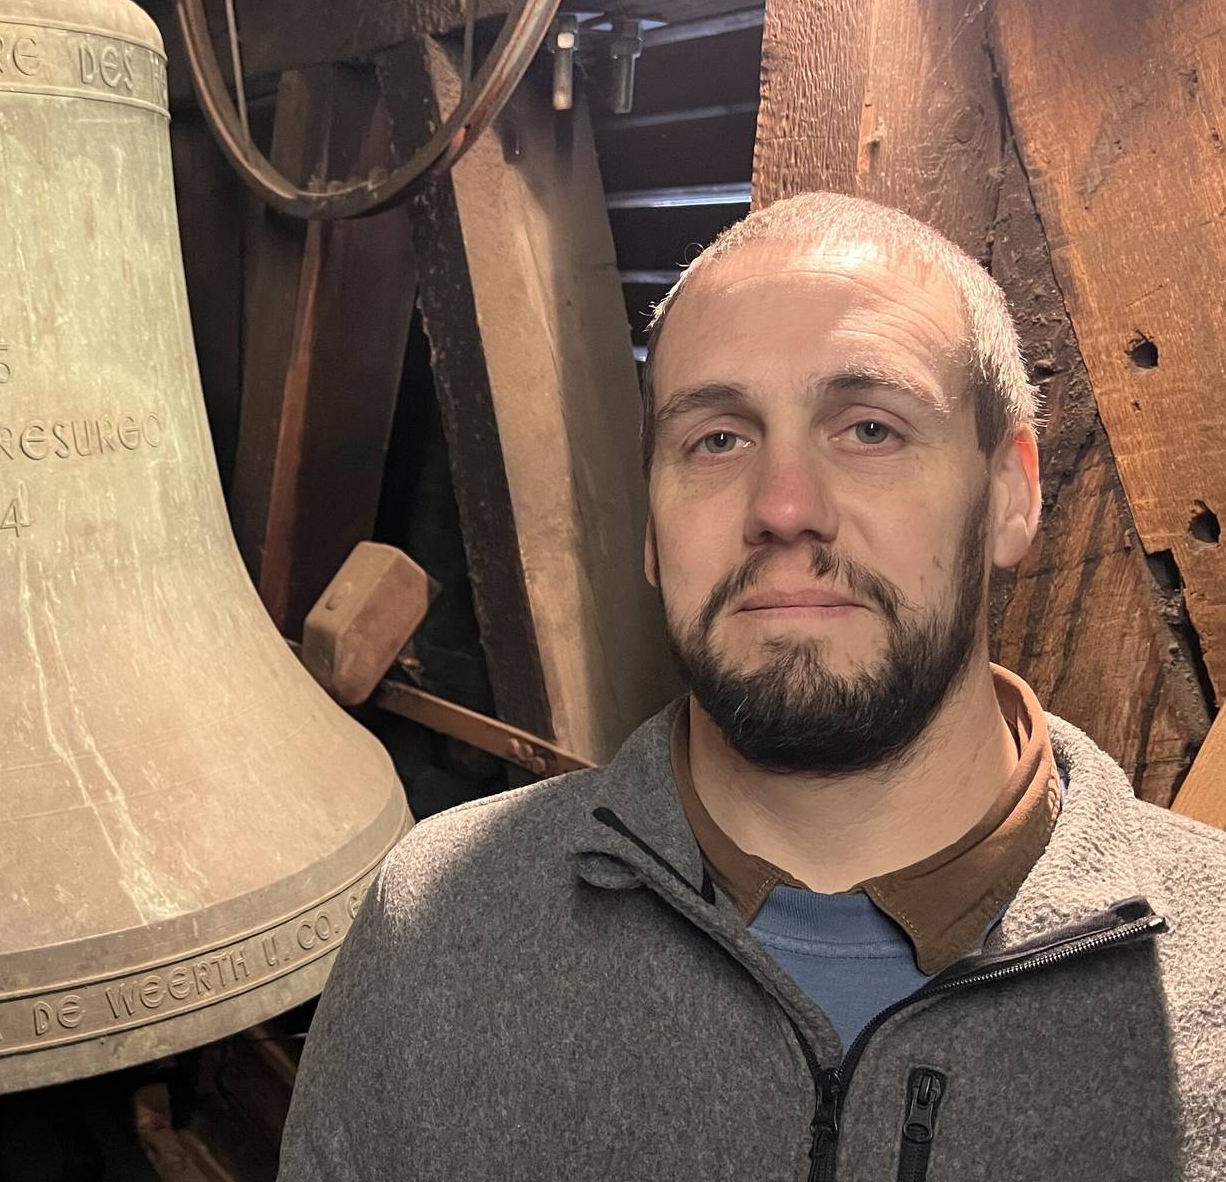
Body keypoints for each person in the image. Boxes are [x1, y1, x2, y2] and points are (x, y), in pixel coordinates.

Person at [276, 192, 1226, 1181]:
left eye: (869, 428)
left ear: (1011, 492)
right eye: (717, 439)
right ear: (650, 524)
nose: (783, 506)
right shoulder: (437, 927)